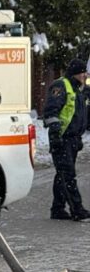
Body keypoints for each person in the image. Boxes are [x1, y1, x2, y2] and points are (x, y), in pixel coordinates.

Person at [43, 58, 90, 221]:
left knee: (62, 175)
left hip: (73, 139)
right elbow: (50, 112)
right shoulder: (61, 86)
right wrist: (56, 134)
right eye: (83, 72)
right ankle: (77, 210)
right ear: (75, 73)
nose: (85, 75)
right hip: (61, 139)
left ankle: (57, 209)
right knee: (68, 175)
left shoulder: (79, 89)